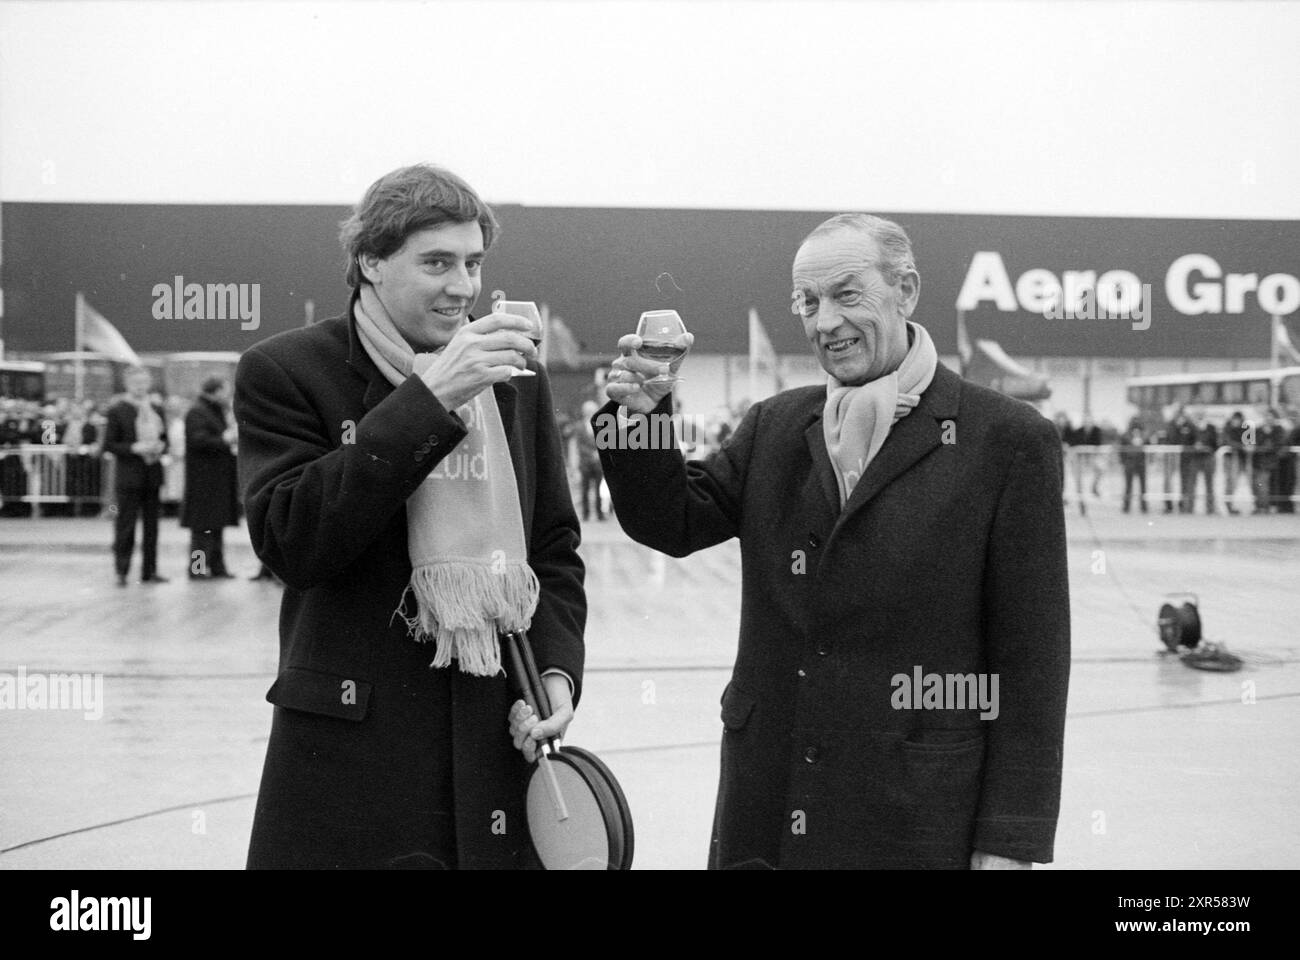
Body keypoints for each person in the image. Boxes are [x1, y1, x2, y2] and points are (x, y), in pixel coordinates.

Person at [597, 213, 1070, 869]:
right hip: (770, 802)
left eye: (848, 295)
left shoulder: (1007, 442)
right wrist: (638, 424)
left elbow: (1032, 665)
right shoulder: (776, 427)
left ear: (905, 290)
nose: (825, 322)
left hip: (917, 816)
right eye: (809, 302)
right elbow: (669, 521)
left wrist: (1011, 838)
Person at [235, 163, 585, 869]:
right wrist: (427, 403)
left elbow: (552, 547)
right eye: (436, 263)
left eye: (473, 263)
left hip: (492, 738)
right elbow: (293, 542)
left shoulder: (513, 375)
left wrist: (555, 674)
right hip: (350, 755)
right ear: (370, 261)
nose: (463, 287)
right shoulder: (287, 370)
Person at [103, 368, 170, 586]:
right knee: (126, 525)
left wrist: (161, 446)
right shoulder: (118, 410)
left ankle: (149, 571)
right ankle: (122, 570)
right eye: (136, 383)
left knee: (152, 527)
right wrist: (134, 447)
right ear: (127, 384)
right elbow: (110, 444)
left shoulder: (156, 409)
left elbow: (165, 439)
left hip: (152, 474)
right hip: (129, 476)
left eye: (144, 382)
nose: (141, 387)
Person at [182, 377, 240, 579]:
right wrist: (224, 439)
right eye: (225, 391)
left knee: (216, 527)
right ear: (215, 391)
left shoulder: (215, 411)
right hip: (203, 481)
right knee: (201, 530)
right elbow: (198, 440)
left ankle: (217, 567)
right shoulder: (198, 411)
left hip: (216, 480)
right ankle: (197, 568)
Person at [576, 399, 605, 521]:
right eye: (588, 410)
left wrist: (598, 453)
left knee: (600, 490)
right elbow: (580, 445)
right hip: (585, 464)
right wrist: (592, 454)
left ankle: (600, 514)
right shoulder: (579, 426)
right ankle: (585, 514)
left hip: (598, 464)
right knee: (585, 489)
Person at [1119, 417, 1148, 513]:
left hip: (1141, 462)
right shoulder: (1126, 435)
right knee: (1128, 486)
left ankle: (1144, 506)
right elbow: (1122, 449)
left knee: (1143, 486)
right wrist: (1123, 461)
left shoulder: (1143, 435)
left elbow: (1148, 444)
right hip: (1130, 462)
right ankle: (1126, 506)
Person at [1222, 411, 1246, 515]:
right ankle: (1228, 504)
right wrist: (1241, 446)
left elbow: (1250, 442)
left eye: (1238, 419)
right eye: (1234, 419)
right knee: (1230, 481)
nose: (1236, 421)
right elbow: (1226, 441)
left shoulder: (1246, 429)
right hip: (1230, 458)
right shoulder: (1227, 428)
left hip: (1241, 458)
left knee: (1236, 482)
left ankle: (1230, 504)